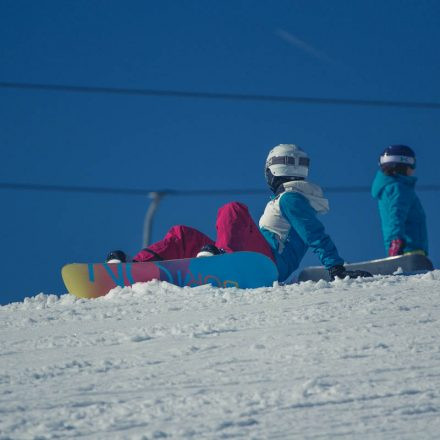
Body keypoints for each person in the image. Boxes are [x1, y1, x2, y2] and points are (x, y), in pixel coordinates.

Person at [107, 144, 371, 282]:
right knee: (182, 234)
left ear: (271, 171)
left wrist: (336, 268)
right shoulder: (287, 199)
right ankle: (134, 269)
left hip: (267, 265)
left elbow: (315, 234)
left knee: (233, 211)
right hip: (253, 258)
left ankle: (220, 261)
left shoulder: (291, 199)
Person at [371, 144, 428, 257]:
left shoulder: (393, 187)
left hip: (409, 249)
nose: (413, 169)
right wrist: (396, 241)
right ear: (402, 165)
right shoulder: (399, 188)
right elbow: (396, 215)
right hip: (409, 250)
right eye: (412, 164)